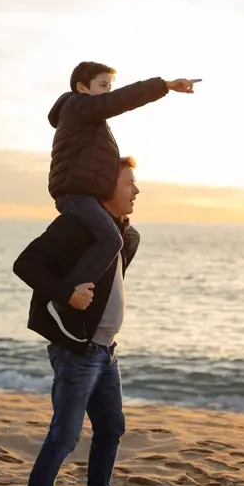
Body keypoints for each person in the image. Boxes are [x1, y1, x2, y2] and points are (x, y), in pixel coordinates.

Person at [13, 156, 142, 486]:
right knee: (64, 436)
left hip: (106, 352)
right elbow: (26, 264)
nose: (136, 190)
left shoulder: (125, 236)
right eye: (129, 184)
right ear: (106, 188)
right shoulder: (74, 226)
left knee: (111, 428)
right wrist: (66, 294)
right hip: (77, 352)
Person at [47, 61, 201, 343]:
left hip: (87, 195)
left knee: (127, 238)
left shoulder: (91, 121)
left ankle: (101, 294)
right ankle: (65, 300)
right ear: (83, 88)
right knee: (110, 239)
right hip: (75, 195)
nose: (108, 93)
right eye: (102, 87)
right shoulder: (77, 106)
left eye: (109, 87)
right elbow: (121, 100)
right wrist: (164, 86)